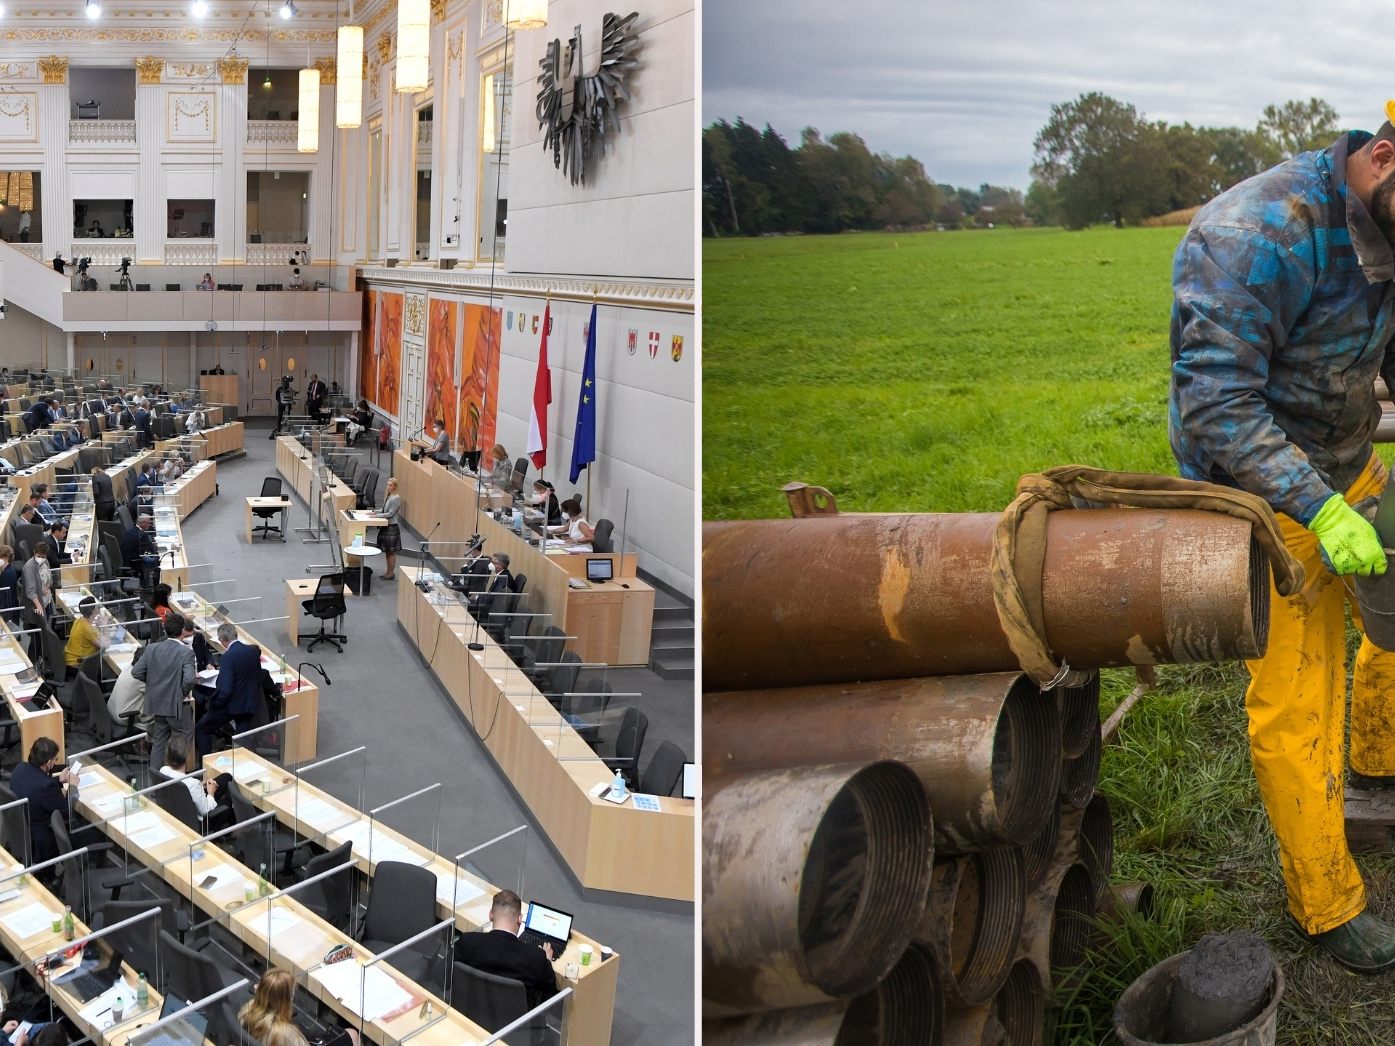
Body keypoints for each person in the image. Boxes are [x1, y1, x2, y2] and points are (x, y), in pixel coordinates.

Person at [1170, 107, 1395, 971]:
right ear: (1381, 157)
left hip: (1345, 463)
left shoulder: (1386, 214)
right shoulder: (1251, 234)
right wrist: (1316, 508)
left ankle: (1376, 760)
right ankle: (1325, 902)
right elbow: (1215, 404)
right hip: (1258, 497)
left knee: (1387, 626)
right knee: (1297, 702)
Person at [453, 890, 559, 1013]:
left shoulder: (467, 941)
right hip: (515, 1027)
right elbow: (551, 995)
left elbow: (444, 972)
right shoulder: (535, 957)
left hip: (471, 1017)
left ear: (491, 915)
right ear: (519, 919)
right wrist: (547, 961)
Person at [133, 613, 197, 772]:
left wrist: (154, 684)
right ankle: (176, 781)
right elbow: (189, 680)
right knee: (182, 742)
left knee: (159, 741)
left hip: (157, 703)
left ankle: (156, 781)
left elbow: (136, 672)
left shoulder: (151, 648)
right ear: (182, 630)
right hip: (176, 706)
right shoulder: (186, 653)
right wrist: (180, 692)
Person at [239, 969, 358, 1046]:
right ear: (284, 1001)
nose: (293, 997)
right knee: (352, 1034)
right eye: (291, 995)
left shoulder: (246, 1011)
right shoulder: (286, 1033)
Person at [196, 622, 260, 759]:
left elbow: (225, 691)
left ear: (221, 639)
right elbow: (256, 675)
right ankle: (247, 765)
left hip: (230, 706)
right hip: (249, 703)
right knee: (244, 740)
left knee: (202, 729)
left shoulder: (228, 657)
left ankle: (205, 768)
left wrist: (215, 704)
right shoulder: (253, 651)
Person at [10, 738, 71, 864]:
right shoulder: (46, 786)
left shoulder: (19, 768)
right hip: (43, 839)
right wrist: (73, 786)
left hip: (20, 832)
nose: (55, 763)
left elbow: (35, 788)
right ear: (48, 763)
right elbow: (67, 811)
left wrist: (59, 781)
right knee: (90, 833)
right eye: (55, 760)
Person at [160, 737, 233, 830]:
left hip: (178, 808)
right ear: (186, 757)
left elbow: (183, 787)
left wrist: (201, 786)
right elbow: (205, 811)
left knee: (226, 777)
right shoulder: (193, 784)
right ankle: (229, 829)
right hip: (197, 824)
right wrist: (211, 793)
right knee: (227, 803)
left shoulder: (163, 770)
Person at [63, 596, 103, 673]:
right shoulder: (88, 628)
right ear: (94, 611)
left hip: (69, 658)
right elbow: (103, 645)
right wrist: (105, 625)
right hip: (77, 663)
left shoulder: (79, 620)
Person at [375, 477, 402, 580]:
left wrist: (377, 516)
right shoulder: (389, 496)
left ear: (395, 487)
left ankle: (390, 573)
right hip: (386, 526)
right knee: (387, 551)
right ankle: (388, 572)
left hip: (392, 527)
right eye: (387, 484)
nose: (388, 486)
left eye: (390, 485)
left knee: (391, 552)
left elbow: (390, 514)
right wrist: (374, 512)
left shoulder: (396, 498)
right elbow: (383, 510)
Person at [0, 545, 19, 617]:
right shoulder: (9, 570)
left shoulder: (7, 574)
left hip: (8, 612)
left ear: (6, 558)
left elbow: (6, 595)